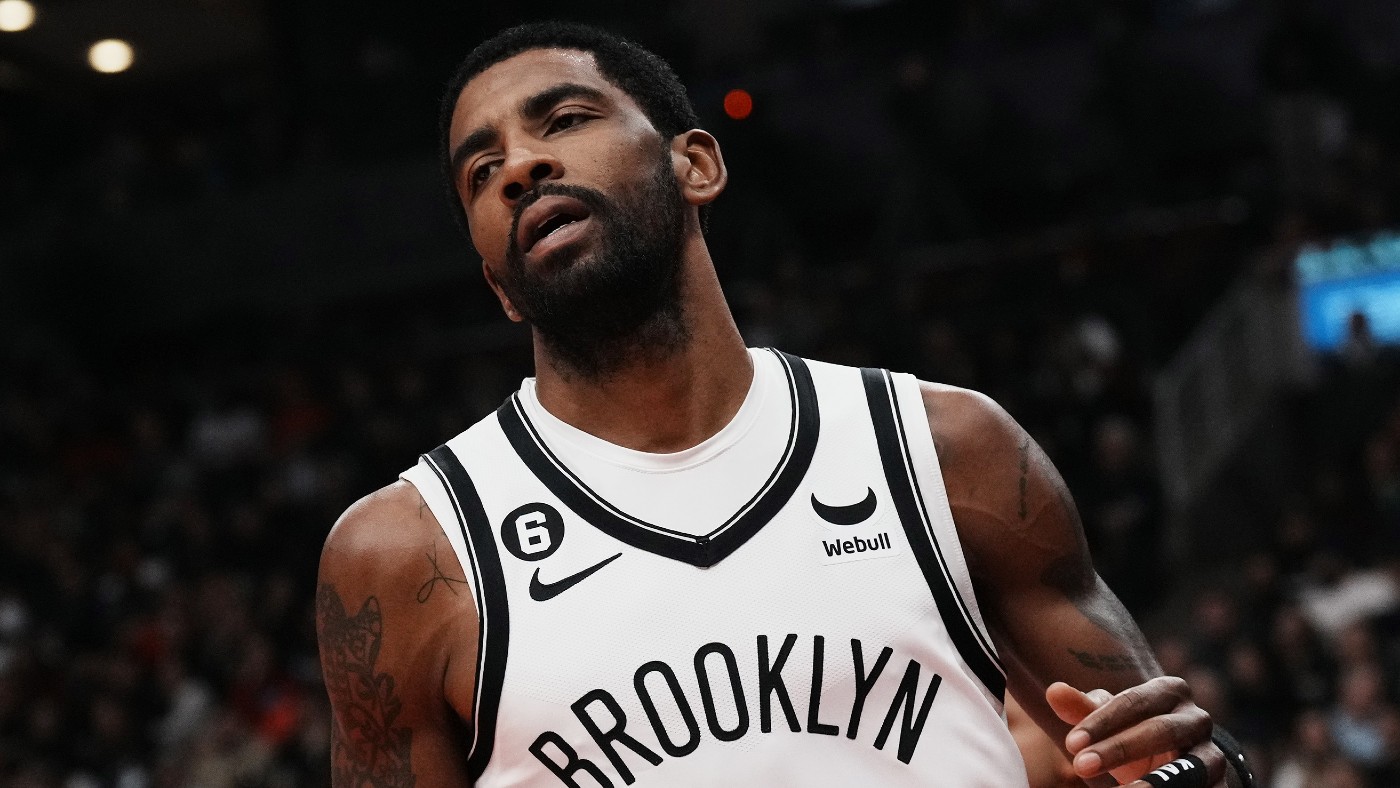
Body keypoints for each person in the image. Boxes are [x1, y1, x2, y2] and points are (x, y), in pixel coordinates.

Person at [315, 21, 1254, 788]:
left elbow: (1172, 761)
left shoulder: (945, 451)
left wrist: (1212, 770)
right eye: (482, 172)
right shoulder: (406, 555)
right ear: (499, 286)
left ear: (696, 165)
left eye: (563, 119)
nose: (520, 167)